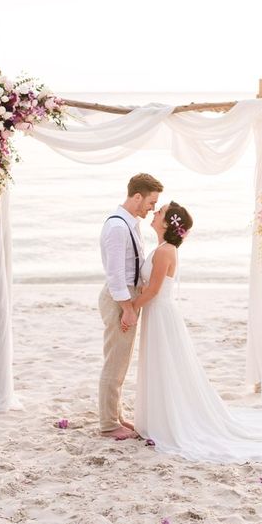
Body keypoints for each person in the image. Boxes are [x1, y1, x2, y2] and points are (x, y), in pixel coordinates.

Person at [132, 201, 262, 463]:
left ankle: (168, 419)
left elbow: (152, 291)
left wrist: (129, 309)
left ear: (168, 222)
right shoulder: (163, 248)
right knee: (162, 365)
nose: (154, 213)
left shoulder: (165, 252)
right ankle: (159, 416)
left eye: (159, 212)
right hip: (158, 313)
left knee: (166, 365)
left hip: (160, 313)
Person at [99, 173, 164, 440]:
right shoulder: (117, 227)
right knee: (114, 361)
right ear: (137, 196)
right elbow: (116, 275)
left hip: (126, 297)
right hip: (119, 299)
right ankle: (107, 423)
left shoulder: (131, 223)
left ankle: (116, 415)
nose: (152, 208)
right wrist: (127, 308)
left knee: (121, 361)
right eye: (151, 201)